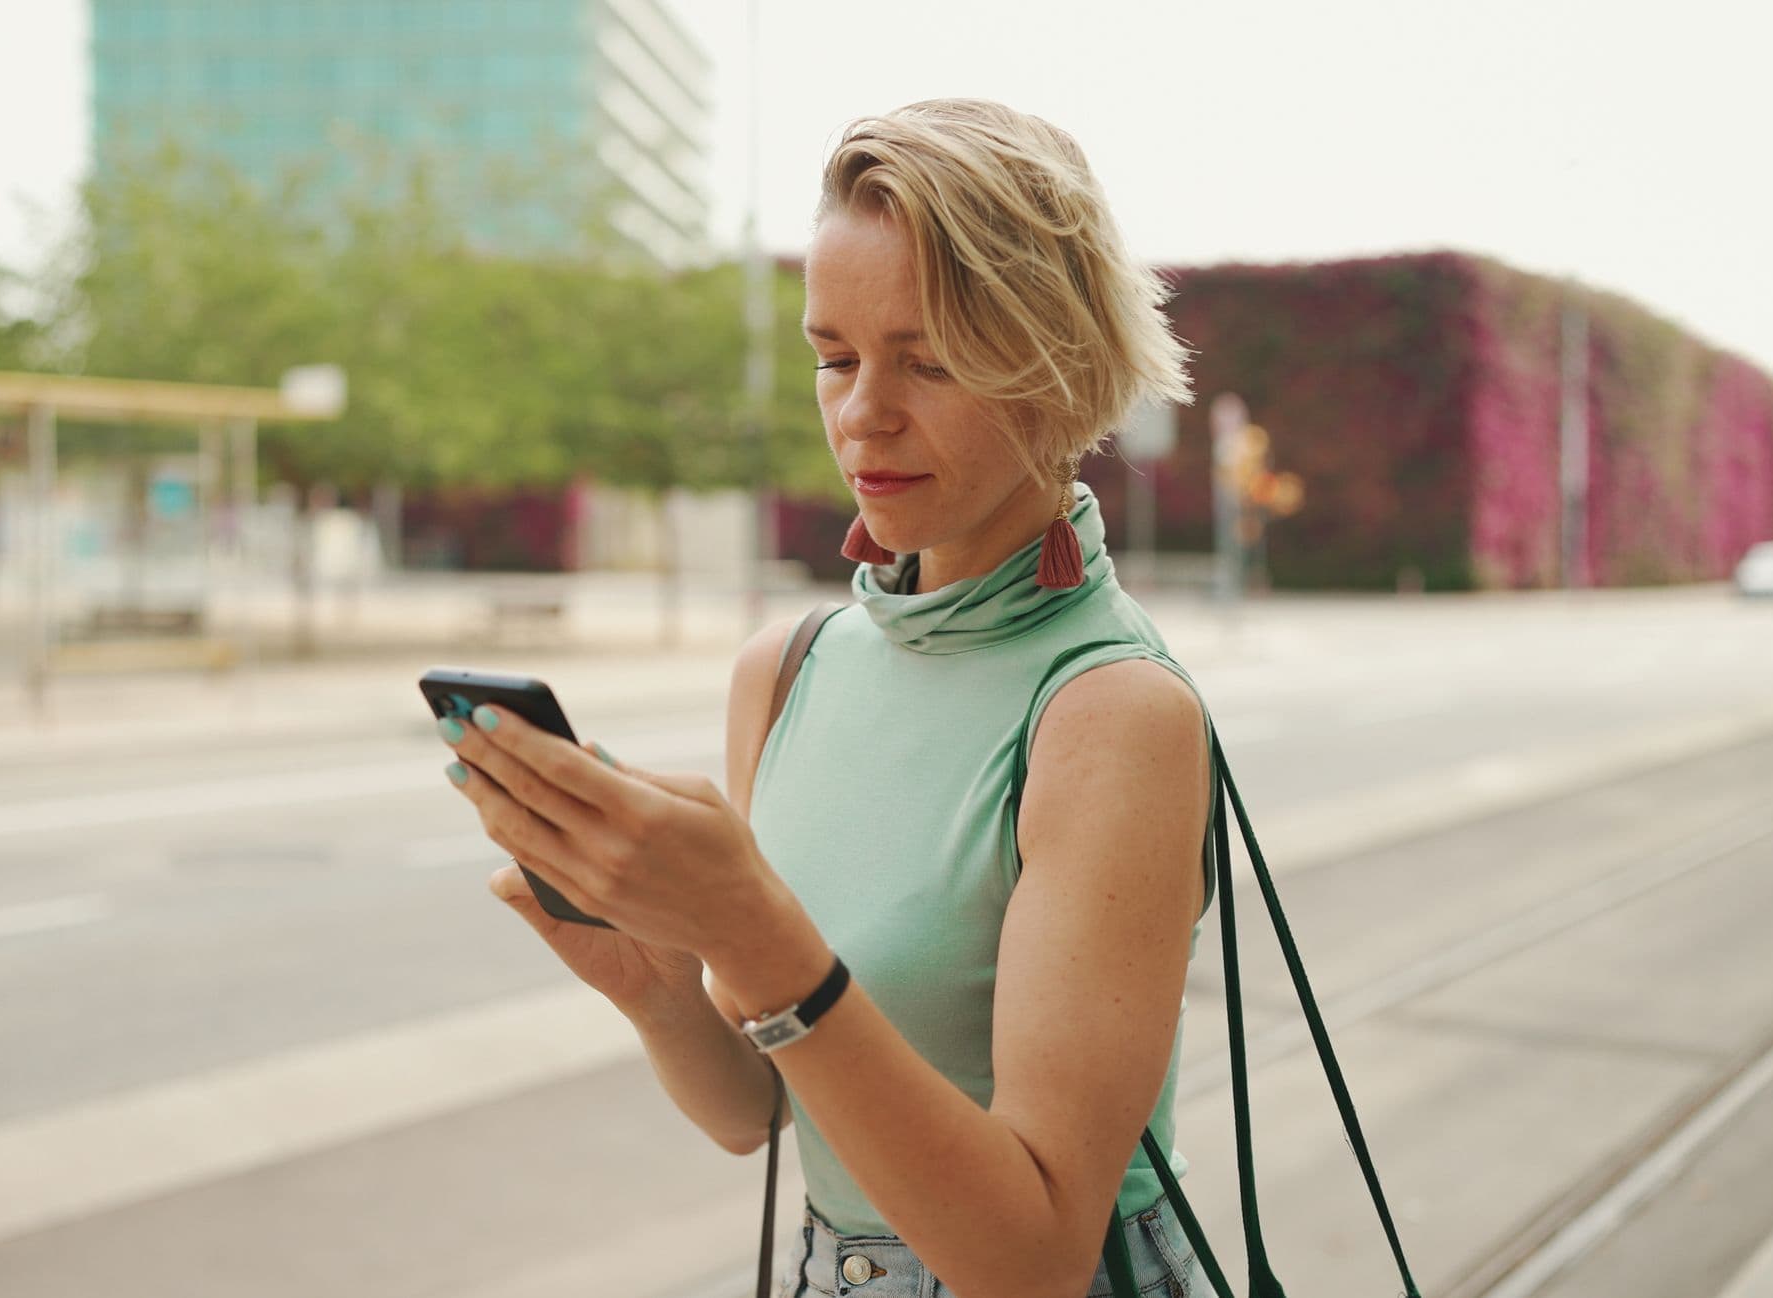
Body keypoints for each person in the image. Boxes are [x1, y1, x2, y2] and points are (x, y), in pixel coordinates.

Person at [439, 98, 1215, 1298]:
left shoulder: (1113, 713)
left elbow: (1036, 1256)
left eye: (931, 359)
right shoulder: (785, 667)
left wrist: (755, 930)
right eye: (836, 357)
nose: (862, 413)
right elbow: (760, 1112)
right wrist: (652, 983)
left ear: (1060, 367)